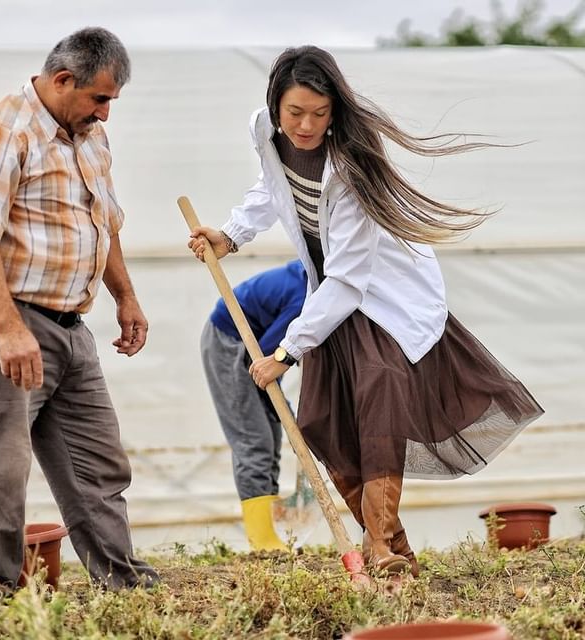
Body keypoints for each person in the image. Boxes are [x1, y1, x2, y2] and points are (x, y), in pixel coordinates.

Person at [188, 45, 544, 577]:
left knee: (380, 404)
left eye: (319, 113)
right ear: (275, 106)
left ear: (336, 110)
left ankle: (377, 547)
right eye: (295, 112)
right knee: (320, 421)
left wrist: (284, 352)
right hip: (328, 294)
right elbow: (271, 188)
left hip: (381, 298)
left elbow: (349, 282)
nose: (306, 125)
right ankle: (396, 552)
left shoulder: (351, 167)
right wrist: (232, 234)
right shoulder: (264, 129)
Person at [0, 27, 159, 592]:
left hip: (70, 324)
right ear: (63, 80)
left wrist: (126, 296)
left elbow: (104, 223)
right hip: (3, 319)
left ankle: (120, 577)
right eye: (100, 99)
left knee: (99, 460)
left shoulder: (88, 137)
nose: (106, 114)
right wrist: (9, 329)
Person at [201, 259, 307, 551]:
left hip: (254, 349)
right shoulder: (306, 300)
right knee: (255, 441)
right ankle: (262, 541)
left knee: (271, 435)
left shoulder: (323, 287)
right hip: (232, 344)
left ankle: (270, 532)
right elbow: (264, 358)